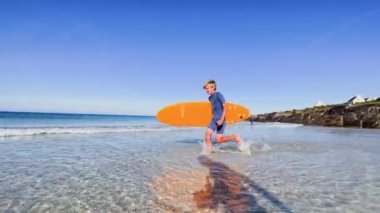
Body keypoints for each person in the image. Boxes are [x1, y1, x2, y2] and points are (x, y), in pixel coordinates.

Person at [203, 80, 241, 151]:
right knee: (219, 140)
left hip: (220, 119)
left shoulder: (218, 95)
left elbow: (225, 107)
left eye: (207, 88)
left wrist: (221, 119)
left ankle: (210, 152)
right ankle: (234, 137)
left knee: (207, 136)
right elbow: (214, 108)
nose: (206, 90)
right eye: (206, 89)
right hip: (214, 119)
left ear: (213, 87)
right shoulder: (210, 98)